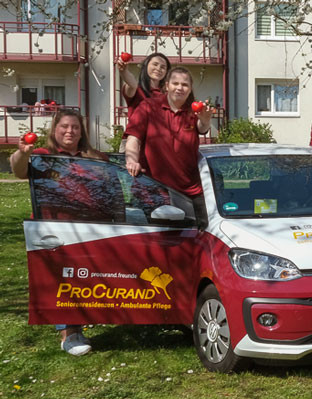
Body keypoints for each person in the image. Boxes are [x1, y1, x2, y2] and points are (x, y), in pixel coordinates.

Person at [10, 109, 107, 356]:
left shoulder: (92, 157)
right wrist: (23, 153)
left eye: (75, 127)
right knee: (61, 280)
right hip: (51, 227)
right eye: (64, 126)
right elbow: (19, 170)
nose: (69, 131)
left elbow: (108, 182)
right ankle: (69, 334)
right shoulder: (43, 155)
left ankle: (77, 326)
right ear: (55, 129)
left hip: (86, 228)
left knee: (81, 278)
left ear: (81, 131)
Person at [124, 67, 212, 214]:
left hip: (189, 191)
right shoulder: (148, 107)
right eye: (175, 83)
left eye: (184, 85)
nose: (179, 88)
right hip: (153, 189)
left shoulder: (194, 110)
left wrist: (205, 119)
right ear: (166, 86)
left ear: (190, 89)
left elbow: (202, 128)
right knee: (155, 236)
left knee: (194, 235)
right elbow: (134, 138)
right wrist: (132, 160)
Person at [117, 52, 171, 152]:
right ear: (146, 66)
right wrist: (123, 71)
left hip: (158, 144)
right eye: (155, 64)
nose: (158, 69)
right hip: (134, 143)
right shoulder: (137, 90)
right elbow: (132, 84)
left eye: (163, 67)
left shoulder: (168, 96)